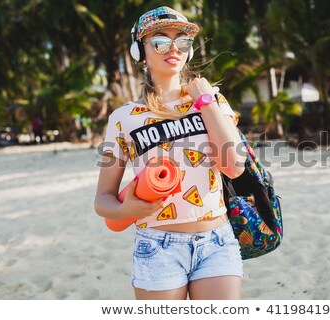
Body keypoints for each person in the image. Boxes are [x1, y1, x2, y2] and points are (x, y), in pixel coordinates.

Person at [94, 6, 246, 300]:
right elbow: (102, 201)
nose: (173, 48)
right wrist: (127, 210)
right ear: (140, 51)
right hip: (157, 245)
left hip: (218, 241)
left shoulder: (212, 101)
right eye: (160, 41)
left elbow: (234, 166)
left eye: (182, 41)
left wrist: (205, 100)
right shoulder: (123, 118)